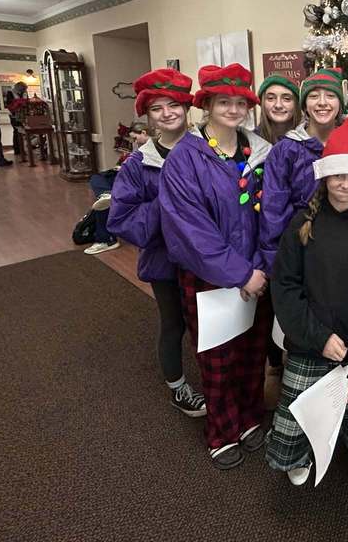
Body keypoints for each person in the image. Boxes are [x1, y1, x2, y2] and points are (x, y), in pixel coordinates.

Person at [266, 114, 348, 502]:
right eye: (336, 175)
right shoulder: (301, 223)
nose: (344, 183)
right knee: (296, 417)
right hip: (311, 342)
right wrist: (318, 337)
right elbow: (285, 287)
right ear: (324, 177)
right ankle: (299, 453)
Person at [159, 63, 272, 469]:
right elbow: (190, 229)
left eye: (240, 102)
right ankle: (221, 430)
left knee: (252, 351)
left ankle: (248, 416)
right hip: (209, 279)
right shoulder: (186, 158)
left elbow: (270, 215)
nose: (233, 109)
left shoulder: (257, 151)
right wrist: (239, 273)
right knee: (218, 357)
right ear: (206, 104)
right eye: (224, 101)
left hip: (257, 275)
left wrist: (259, 269)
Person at [107, 68, 206, 418]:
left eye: (174, 105)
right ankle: (178, 386)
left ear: (186, 107)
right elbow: (121, 219)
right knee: (173, 323)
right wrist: (168, 201)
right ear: (148, 116)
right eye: (157, 108)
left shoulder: (207, 152)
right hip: (164, 262)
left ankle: (218, 383)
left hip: (205, 260)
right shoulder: (138, 164)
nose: (167, 114)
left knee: (208, 324)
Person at [258, 68, 344, 407]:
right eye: (315, 95)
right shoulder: (286, 151)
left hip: (341, 251)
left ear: (340, 102)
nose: (323, 102)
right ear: (304, 104)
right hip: (301, 248)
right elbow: (273, 210)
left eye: (330, 95)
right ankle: (297, 388)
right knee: (300, 318)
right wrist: (276, 259)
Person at [84, 123, 149, 256]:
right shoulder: (142, 149)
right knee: (98, 178)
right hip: (129, 174)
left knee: (107, 196)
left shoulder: (156, 147)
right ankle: (106, 194)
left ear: (144, 133)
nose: (135, 142)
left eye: (135, 138)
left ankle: (106, 239)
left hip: (139, 179)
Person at [256, 74, 302, 144]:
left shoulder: (307, 139)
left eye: (286, 99)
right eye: (271, 98)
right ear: (262, 103)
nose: (278, 105)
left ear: (296, 104)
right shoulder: (250, 141)